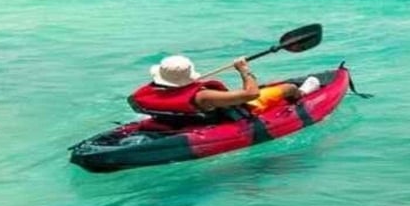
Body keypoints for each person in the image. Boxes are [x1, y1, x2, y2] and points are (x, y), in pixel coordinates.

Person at [128, 54, 320, 122]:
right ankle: (302, 93)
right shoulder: (203, 96)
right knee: (286, 87)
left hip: (176, 118)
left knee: (270, 84)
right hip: (229, 113)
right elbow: (251, 94)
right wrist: (244, 70)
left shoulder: (145, 92)